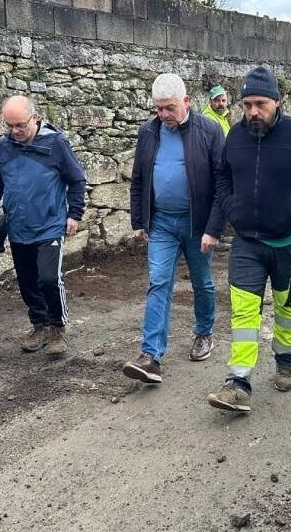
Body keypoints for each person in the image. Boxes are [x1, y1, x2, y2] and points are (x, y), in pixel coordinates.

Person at [207, 65, 291, 413]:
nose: (252, 112)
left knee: (286, 308)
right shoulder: (235, 136)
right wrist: (232, 208)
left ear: (277, 102)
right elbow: (222, 175)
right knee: (244, 313)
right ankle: (239, 382)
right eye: (247, 104)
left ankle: (285, 362)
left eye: (260, 104)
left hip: (287, 242)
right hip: (247, 243)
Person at [122, 73, 226, 384]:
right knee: (159, 283)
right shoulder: (148, 133)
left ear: (186, 102)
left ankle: (204, 333)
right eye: (158, 109)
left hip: (197, 224)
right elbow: (139, 179)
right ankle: (151, 355)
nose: (164, 115)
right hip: (163, 223)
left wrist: (214, 228)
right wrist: (140, 221)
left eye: (169, 108)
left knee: (202, 282)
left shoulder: (209, 131)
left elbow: (223, 182)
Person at [0, 95, 86, 355]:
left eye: (20, 125)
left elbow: (76, 180)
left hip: (49, 224)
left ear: (35, 118)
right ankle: (39, 325)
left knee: (49, 278)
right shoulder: (4, 147)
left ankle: (58, 328)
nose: (15, 132)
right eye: (9, 126)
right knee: (27, 280)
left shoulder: (55, 144)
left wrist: (74, 214)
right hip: (18, 226)